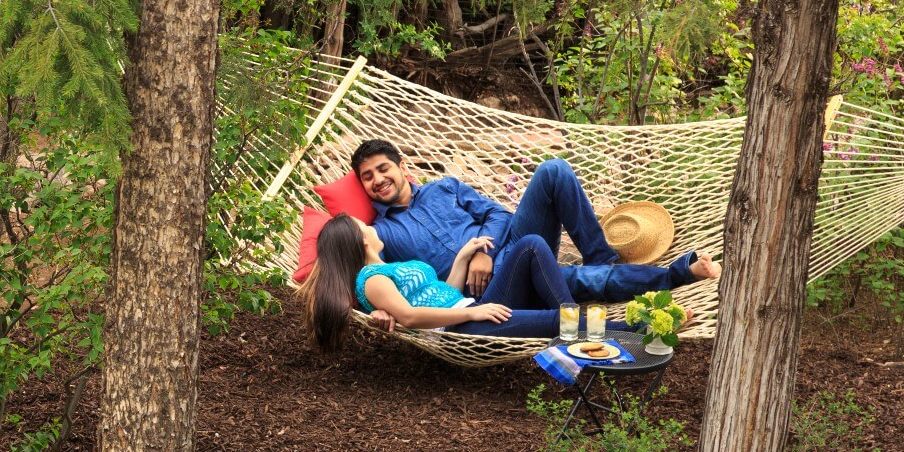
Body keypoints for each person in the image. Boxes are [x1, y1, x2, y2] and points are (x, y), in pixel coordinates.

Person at [350, 138, 720, 303]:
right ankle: (677, 275)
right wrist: (383, 312)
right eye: (368, 177)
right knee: (578, 280)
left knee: (554, 170)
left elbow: (498, 213)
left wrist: (486, 252)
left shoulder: (444, 187)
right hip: (489, 288)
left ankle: (600, 256)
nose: (378, 180)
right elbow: (389, 282)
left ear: (403, 168)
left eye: (383, 169)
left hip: (508, 245)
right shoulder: (381, 234)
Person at [304, 214, 633, 348]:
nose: (372, 227)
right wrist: (472, 313)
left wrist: (462, 257)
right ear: (361, 240)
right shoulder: (371, 278)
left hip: (467, 310)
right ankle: (639, 332)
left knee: (531, 244)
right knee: (555, 320)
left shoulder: (388, 268)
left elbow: (442, 294)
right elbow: (410, 317)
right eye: (365, 226)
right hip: (462, 330)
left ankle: (574, 334)